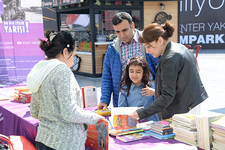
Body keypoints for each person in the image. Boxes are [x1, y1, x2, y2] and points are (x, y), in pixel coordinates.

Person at [27, 30, 104, 150]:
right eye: (73, 55)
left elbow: (34, 111)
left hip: (44, 140)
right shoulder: (62, 71)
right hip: (64, 143)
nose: (73, 60)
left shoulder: (41, 70)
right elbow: (69, 112)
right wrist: (95, 118)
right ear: (65, 51)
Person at [129, 21, 208, 120]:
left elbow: (167, 96)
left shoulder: (169, 59)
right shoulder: (179, 47)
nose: (147, 51)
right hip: (191, 103)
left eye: (148, 46)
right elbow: (177, 84)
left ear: (160, 40)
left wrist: (140, 113)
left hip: (184, 110)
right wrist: (156, 92)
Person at [97, 12, 158, 110]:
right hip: (123, 99)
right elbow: (107, 76)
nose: (121, 35)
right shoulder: (112, 49)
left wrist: (157, 90)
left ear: (132, 25)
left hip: (148, 97)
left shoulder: (147, 41)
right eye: (117, 32)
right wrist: (104, 100)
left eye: (124, 30)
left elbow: (159, 69)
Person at [118, 56, 159, 121]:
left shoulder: (152, 86)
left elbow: (159, 105)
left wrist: (154, 93)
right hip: (134, 125)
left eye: (138, 72)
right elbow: (122, 109)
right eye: (131, 71)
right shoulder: (124, 89)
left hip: (152, 124)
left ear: (144, 73)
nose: (134, 75)